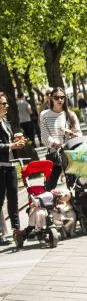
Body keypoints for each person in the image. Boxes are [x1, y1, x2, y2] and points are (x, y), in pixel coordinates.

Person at [39, 87, 81, 190]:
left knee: (76, 185)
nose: (60, 100)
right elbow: (44, 138)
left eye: (62, 97)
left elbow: (79, 135)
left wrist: (70, 133)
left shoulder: (70, 115)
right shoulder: (44, 115)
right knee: (50, 187)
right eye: (56, 97)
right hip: (55, 155)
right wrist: (57, 144)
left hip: (71, 155)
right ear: (51, 98)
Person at [0, 96, 26, 243]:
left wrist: (16, 143)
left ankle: (16, 229)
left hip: (10, 165)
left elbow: (8, 142)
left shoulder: (5, 122)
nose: (7, 106)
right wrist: (10, 146)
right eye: (4, 103)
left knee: (13, 198)